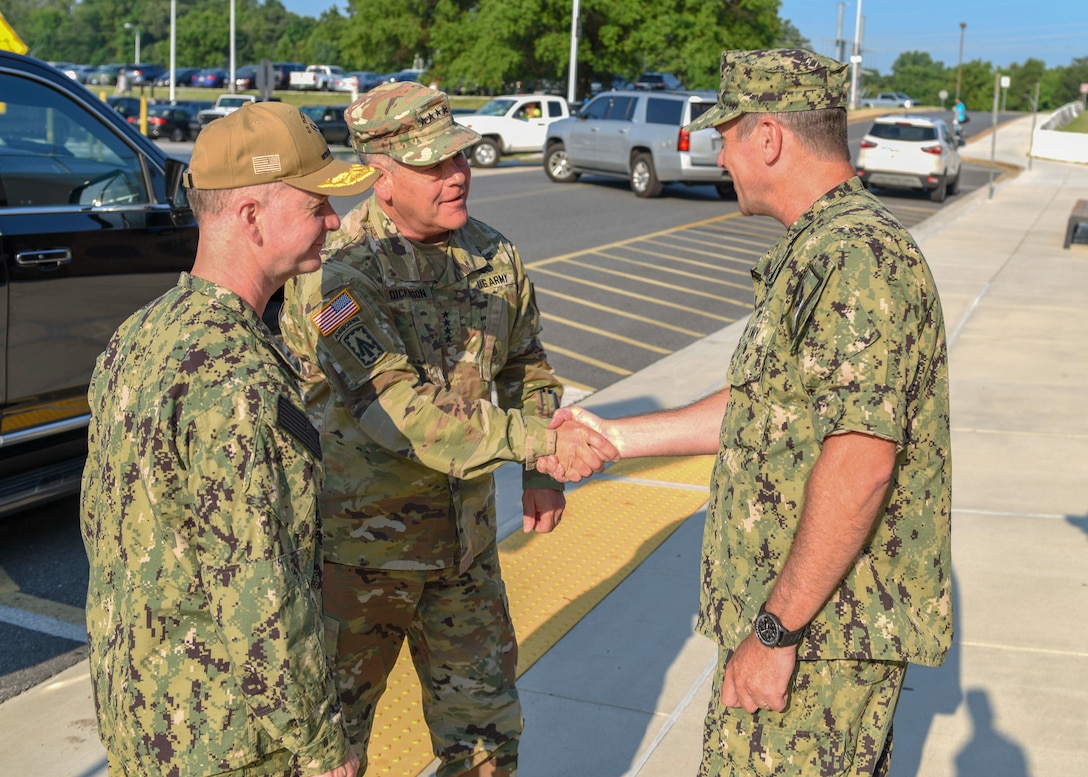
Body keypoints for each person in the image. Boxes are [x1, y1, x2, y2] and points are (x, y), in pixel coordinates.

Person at [539, 49, 953, 777]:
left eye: (726, 134)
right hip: (805, 634)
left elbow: (860, 464)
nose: (716, 151)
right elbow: (768, 410)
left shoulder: (856, 257)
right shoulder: (821, 248)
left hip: (818, 643)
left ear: (768, 137)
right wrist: (616, 436)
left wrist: (774, 631)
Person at [278, 81, 618, 777]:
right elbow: (401, 414)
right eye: (434, 164)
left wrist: (539, 471)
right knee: (326, 754)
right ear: (381, 175)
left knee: (488, 741)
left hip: (461, 554)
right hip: (356, 561)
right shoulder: (337, 272)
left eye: (458, 155)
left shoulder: (494, 256)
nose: (457, 173)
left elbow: (525, 361)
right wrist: (541, 441)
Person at [80, 101, 380, 777]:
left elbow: (106, 534)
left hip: (144, 716)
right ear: (250, 217)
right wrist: (321, 747)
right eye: (315, 206)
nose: (333, 222)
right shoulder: (239, 377)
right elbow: (260, 591)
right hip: (230, 741)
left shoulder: (141, 334)